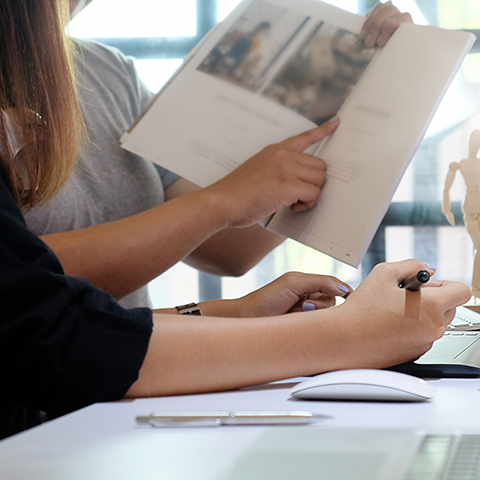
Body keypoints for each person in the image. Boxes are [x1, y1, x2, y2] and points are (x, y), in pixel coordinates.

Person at [1, 0, 470, 442]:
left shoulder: (107, 73)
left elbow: (230, 248)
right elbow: (35, 300)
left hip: (105, 411)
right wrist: (351, 335)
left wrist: (382, 104)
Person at [25, 0, 414, 310]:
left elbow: (228, 251)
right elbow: (21, 278)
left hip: (117, 384)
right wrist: (224, 200)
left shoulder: (108, 73)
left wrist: (373, 95)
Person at [442, 130, 480, 298]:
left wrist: (447, 209)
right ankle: (476, 289)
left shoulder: (463, 164)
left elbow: (447, 188)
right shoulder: (464, 164)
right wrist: (446, 209)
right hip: (472, 206)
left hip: (471, 204)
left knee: (478, 248)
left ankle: (476, 288)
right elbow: (446, 188)